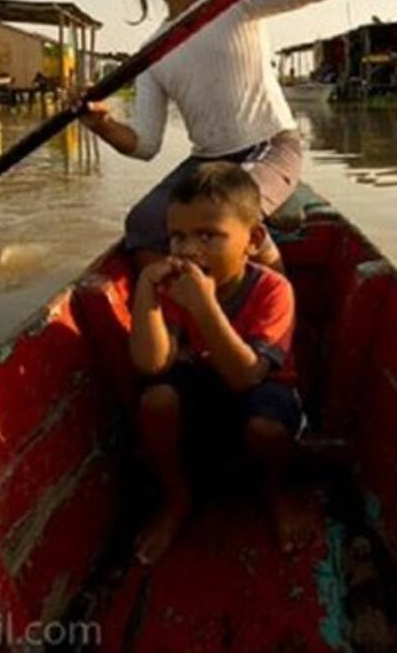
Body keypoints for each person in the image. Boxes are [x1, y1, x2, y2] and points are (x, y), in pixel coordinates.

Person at [79, 0, 397, 271]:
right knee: (142, 224)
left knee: (225, 210)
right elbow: (145, 145)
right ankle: (170, 311)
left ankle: (275, 317)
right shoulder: (152, 53)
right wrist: (102, 124)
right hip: (208, 160)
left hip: (270, 146)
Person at [130, 162, 302, 565]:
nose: (189, 250)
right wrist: (146, 293)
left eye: (209, 236)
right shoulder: (175, 287)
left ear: (253, 239)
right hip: (204, 390)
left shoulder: (274, 291)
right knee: (156, 401)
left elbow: (247, 377)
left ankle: (277, 492)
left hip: (258, 391)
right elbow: (151, 364)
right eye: (178, 237)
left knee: (267, 427)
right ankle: (177, 497)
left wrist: (204, 306)